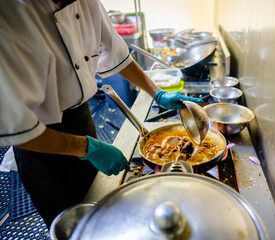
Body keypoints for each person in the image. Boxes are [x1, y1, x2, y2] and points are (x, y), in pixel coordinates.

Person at [0, 0, 203, 228]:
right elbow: (17, 130)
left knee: (94, 206)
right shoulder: (10, 14)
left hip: (82, 118)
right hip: (40, 141)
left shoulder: (87, 3)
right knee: (69, 224)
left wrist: (156, 93)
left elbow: (116, 54)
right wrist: (89, 148)